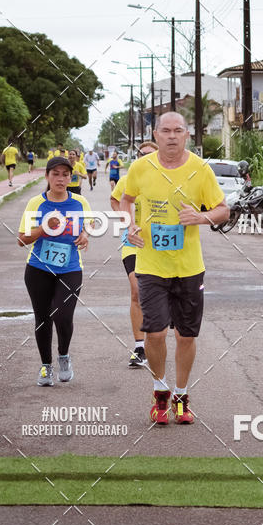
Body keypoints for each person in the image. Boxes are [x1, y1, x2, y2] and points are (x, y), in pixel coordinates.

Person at [120, 112, 229, 425]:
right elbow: (125, 200)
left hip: (189, 267)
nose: (171, 136)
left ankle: (182, 395)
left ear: (187, 134)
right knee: (153, 333)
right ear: (155, 135)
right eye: (165, 131)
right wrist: (128, 226)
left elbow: (223, 209)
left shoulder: (200, 169)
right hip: (151, 265)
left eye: (177, 130)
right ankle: (160, 390)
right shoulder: (140, 167)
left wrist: (201, 218)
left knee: (185, 335)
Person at [17, 156, 91, 386]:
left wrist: (85, 235)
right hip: (39, 268)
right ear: (47, 176)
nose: (61, 178)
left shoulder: (79, 202)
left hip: (70, 268)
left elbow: (88, 226)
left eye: (65, 174)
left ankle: (64, 356)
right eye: (55, 174)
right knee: (42, 318)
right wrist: (43, 228)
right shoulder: (35, 203)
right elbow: (22, 240)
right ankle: (46, 366)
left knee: (62, 314)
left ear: (71, 177)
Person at [110, 140, 157, 368]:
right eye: (142, 154)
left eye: (150, 154)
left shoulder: (167, 182)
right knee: (136, 289)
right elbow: (114, 198)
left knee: (160, 292)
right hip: (132, 241)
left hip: (160, 243)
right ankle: (140, 347)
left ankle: (157, 339)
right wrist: (126, 220)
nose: (145, 158)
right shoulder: (127, 180)